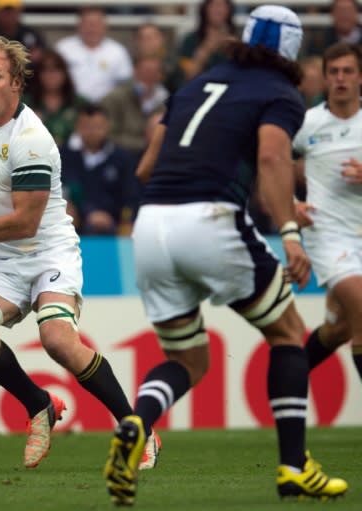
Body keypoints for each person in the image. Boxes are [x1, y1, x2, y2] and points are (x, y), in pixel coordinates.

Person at [103, 6, 348, 505]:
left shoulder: (196, 84)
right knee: (286, 333)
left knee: (188, 359)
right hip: (210, 220)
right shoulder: (281, 93)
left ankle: (137, 421)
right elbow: (273, 159)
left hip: (151, 226)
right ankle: (294, 467)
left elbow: (148, 167)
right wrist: (289, 232)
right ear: (292, 52)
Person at [0, 36, 159, 471]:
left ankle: (138, 427)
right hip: (5, 259)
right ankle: (39, 404)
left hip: (49, 252)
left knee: (57, 340)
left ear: (17, 82)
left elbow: (25, 223)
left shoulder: (32, 139)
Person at [292, 42, 362, 386]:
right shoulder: (308, 124)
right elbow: (269, 164)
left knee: (340, 328)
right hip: (328, 233)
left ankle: (288, 380)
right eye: (333, 72)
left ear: (360, 76)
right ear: (323, 78)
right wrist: (289, 203)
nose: (340, 79)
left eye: (348, 71)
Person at [59, 104, 139, 235]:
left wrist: (122, 219)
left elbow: (131, 196)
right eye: (86, 127)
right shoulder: (63, 156)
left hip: (113, 223)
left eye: (97, 127)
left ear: (107, 127)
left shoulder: (122, 158)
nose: (92, 132)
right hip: (74, 223)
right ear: (77, 127)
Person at [54, 6, 133, 104]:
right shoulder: (63, 48)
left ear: (105, 26)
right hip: (70, 105)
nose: (92, 28)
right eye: (88, 24)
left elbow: (125, 84)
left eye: (96, 24)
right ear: (79, 25)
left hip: (108, 107)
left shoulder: (118, 51)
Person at [177, 0, 236, 82]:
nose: (218, 10)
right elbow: (188, 76)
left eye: (223, 6)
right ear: (205, 9)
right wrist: (207, 48)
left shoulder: (236, 41)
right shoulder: (190, 40)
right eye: (214, 6)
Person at [0, 0, 46, 64]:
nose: (8, 15)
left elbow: (44, 54)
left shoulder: (30, 34)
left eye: (12, 11)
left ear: (19, 11)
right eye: (4, 11)